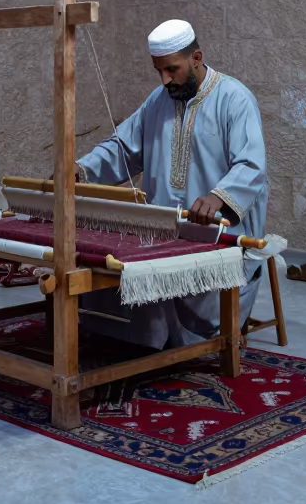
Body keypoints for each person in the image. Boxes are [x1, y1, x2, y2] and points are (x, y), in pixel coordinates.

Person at [75, 19, 268, 349]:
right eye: (158, 71)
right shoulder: (158, 100)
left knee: (169, 297)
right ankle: (123, 337)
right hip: (161, 234)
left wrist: (219, 197)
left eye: (172, 69)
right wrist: (81, 171)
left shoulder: (235, 99)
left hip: (217, 239)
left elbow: (251, 165)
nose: (165, 80)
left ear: (196, 58)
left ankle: (162, 340)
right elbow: (122, 147)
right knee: (101, 268)